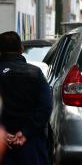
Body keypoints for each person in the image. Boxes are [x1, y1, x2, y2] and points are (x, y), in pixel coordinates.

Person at [0, 31, 52, 165]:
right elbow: (46, 106)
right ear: (21, 49)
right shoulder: (35, 73)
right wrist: (25, 132)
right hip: (32, 144)